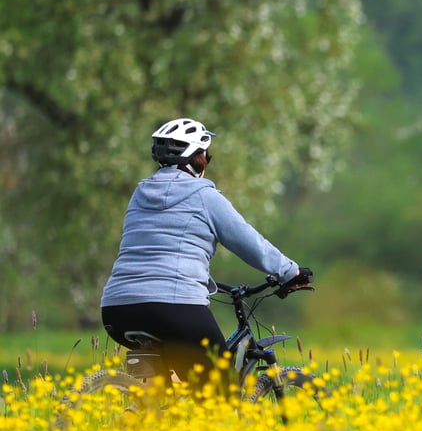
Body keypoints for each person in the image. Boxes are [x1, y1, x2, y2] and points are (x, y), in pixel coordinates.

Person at [100, 117, 312, 389]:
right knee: (220, 389)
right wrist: (289, 272)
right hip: (173, 307)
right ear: (197, 159)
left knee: (184, 380)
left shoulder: (139, 194)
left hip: (117, 310)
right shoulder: (205, 196)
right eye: (206, 155)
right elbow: (249, 242)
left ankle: (149, 414)